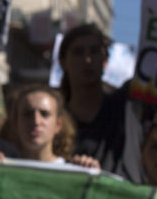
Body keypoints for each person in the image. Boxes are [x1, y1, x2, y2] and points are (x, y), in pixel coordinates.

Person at [58, 24, 146, 180]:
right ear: (63, 62)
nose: (87, 59)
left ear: (105, 61)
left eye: (95, 51)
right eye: (78, 52)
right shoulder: (50, 118)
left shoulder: (127, 105)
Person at [4, 84, 98, 167]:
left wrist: (94, 176)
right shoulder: (3, 169)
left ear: (58, 124)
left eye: (44, 114)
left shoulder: (75, 171)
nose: (36, 121)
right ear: (15, 122)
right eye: (28, 114)